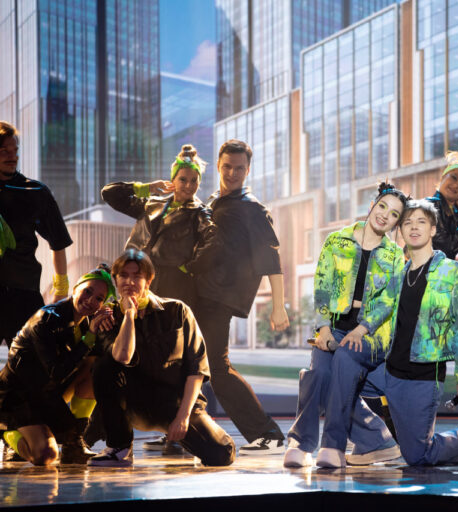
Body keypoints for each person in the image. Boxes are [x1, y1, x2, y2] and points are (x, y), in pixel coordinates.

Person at [324, 200, 458, 467]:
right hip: (389, 371)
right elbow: (382, 306)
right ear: (402, 232)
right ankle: (375, 441)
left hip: (422, 377)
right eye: (407, 223)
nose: (414, 227)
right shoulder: (400, 274)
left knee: (418, 455)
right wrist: (359, 330)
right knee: (333, 377)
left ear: (432, 229)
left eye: (421, 222)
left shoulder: (453, 272)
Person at [285, 183, 407, 468]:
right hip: (335, 327)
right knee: (320, 371)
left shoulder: (394, 255)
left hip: (372, 335)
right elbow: (322, 287)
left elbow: (388, 302)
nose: (385, 215)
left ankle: (333, 445)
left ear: (397, 224)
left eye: (394, 214)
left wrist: (361, 329)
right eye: (382, 207)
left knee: (342, 359)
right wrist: (324, 329)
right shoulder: (336, 241)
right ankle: (305, 443)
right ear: (372, 206)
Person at [88, 250, 235, 467]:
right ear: (115, 280)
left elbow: (196, 368)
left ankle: (195, 435)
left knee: (221, 454)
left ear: (148, 281)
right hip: (132, 404)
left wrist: (183, 417)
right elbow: (122, 356)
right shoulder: (108, 317)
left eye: (137, 276)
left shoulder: (177, 311)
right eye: (124, 275)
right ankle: (119, 446)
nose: (130, 282)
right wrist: (128, 315)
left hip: (175, 405)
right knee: (102, 367)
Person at [194, 139, 290, 455]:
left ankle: (268, 434)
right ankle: (183, 431)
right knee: (188, 366)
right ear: (218, 166)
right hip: (197, 294)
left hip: (219, 298)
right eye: (227, 167)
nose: (232, 173)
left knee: (217, 370)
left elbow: (271, 257)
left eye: (239, 168)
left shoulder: (252, 208)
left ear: (247, 170)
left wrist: (278, 305)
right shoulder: (212, 201)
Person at [0, 266, 115, 465]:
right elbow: (57, 372)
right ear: (76, 287)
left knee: (98, 367)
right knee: (46, 456)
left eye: (99, 298)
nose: (90, 300)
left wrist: (108, 323)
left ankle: (74, 443)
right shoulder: (47, 319)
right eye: (87, 291)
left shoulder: (87, 322)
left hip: (48, 392)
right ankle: (8, 433)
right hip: (18, 397)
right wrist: (90, 337)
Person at [101, 143, 217, 311]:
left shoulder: (199, 212)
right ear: (172, 180)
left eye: (194, 181)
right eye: (183, 180)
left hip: (173, 283)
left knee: (164, 325)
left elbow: (214, 241)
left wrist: (189, 268)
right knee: (133, 321)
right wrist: (147, 188)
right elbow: (109, 193)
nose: (189, 185)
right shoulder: (151, 204)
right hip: (137, 274)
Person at [0, 121, 73, 348]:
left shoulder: (35, 192)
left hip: (23, 294)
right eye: (4, 151)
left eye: (15, 150)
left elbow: (58, 241)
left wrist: (61, 290)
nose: (12, 156)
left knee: (31, 362)